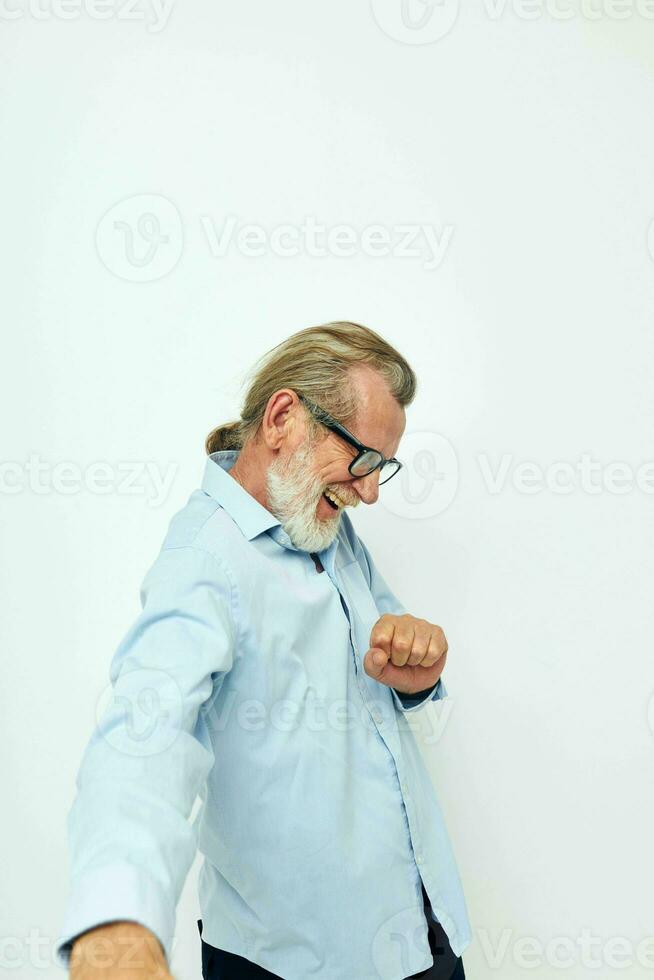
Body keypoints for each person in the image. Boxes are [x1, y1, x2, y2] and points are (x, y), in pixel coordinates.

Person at [57, 322, 471, 980]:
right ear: (284, 418)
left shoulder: (326, 525)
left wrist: (419, 666)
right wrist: (116, 921)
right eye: (364, 459)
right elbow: (143, 735)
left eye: (382, 469)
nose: (370, 491)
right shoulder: (204, 562)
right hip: (301, 964)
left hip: (420, 929)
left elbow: (387, 640)